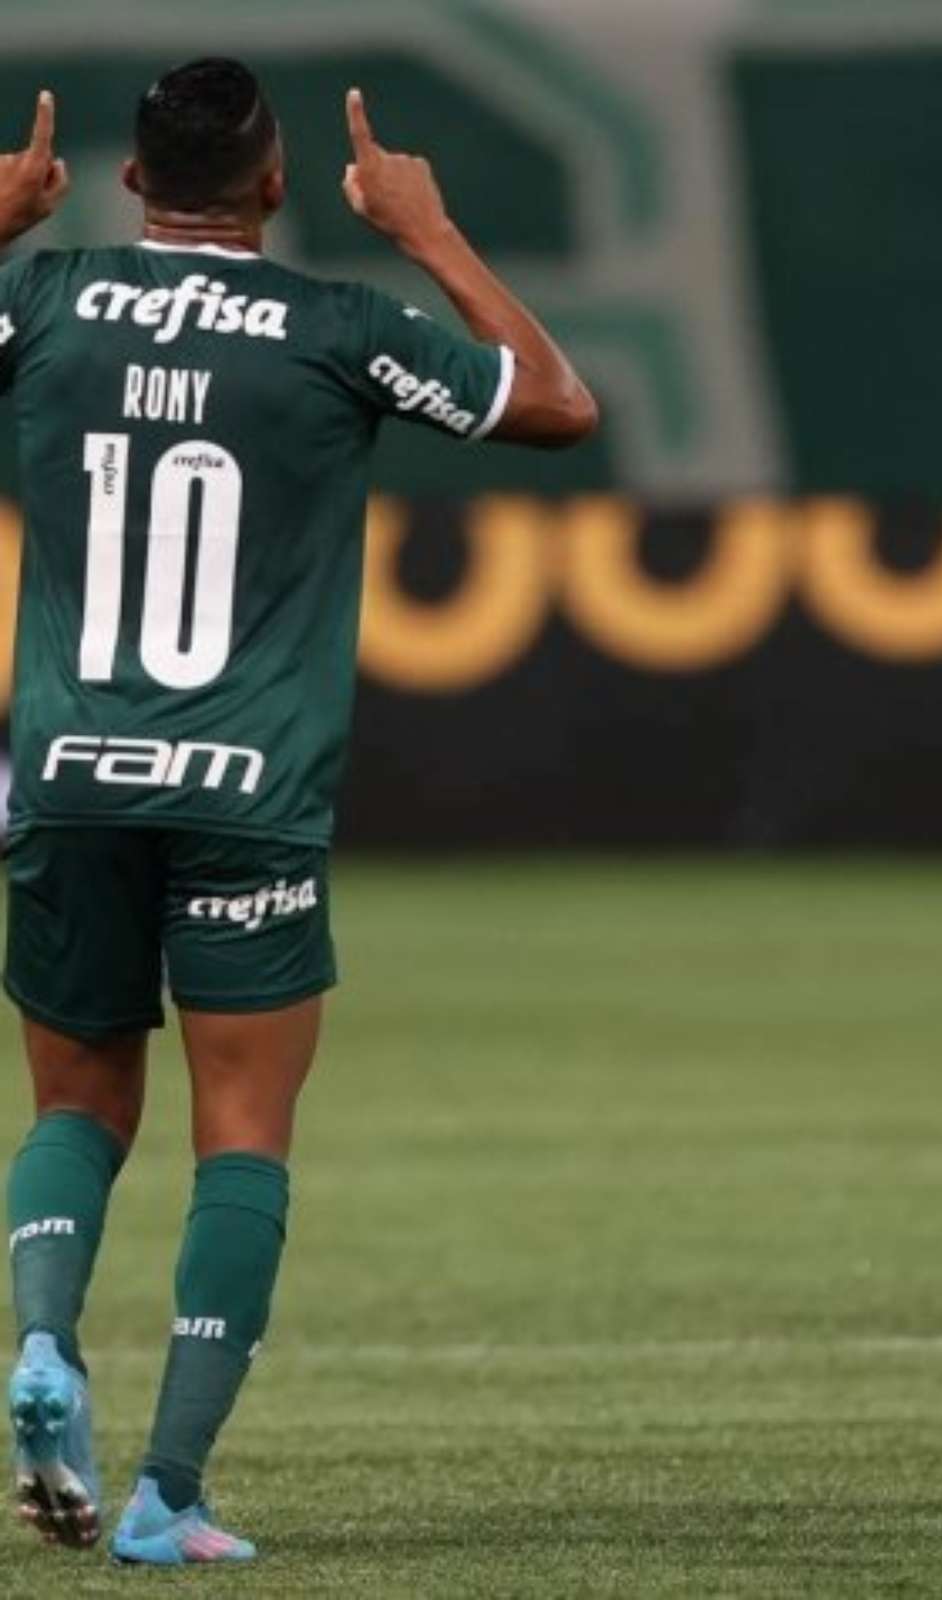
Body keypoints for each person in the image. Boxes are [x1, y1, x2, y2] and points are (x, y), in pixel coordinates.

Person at [0, 58, 596, 1566]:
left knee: (75, 1106)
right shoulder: (342, 329)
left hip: (73, 774)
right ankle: (164, 1499)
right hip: (247, 790)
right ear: (277, 188)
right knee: (242, 1136)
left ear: (129, 182)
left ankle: (45, 1346)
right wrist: (428, 234)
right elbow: (558, 408)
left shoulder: (51, 302)